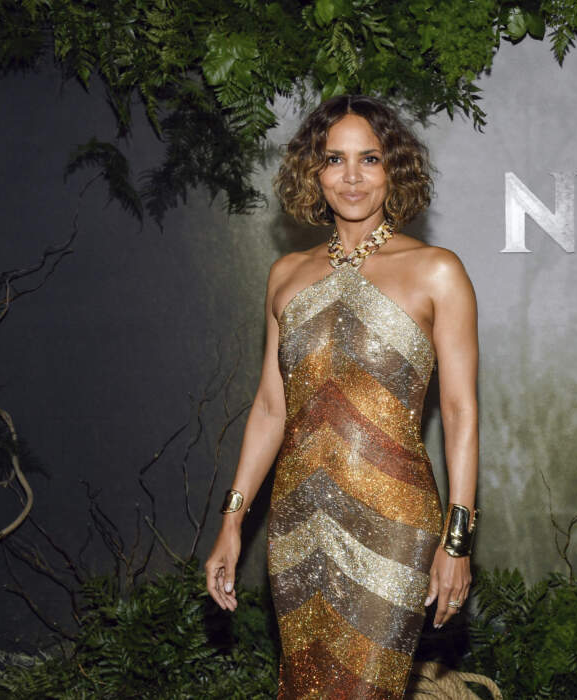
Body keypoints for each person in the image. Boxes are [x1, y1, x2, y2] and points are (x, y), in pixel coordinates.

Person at [204, 94, 479, 699]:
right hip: (297, 522)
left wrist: (455, 540)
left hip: (396, 524)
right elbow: (272, 408)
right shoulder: (286, 275)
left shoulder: (437, 270)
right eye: (335, 159)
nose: (352, 176)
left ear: (393, 170)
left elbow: (460, 412)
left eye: (370, 159)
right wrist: (231, 521)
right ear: (313, 171)